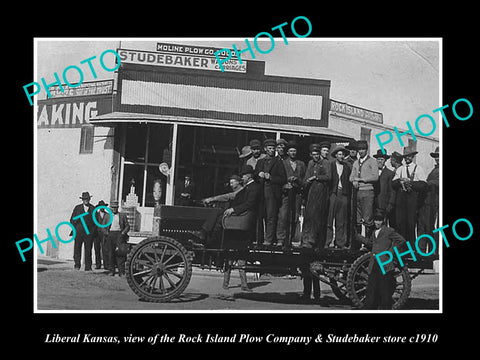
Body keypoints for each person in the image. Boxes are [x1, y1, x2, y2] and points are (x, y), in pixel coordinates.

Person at [221, 165, 261, 292]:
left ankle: (239, 284)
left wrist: (234, 209)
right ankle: (230, 283)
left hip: (242, 225)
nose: (242, 177)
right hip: (238, 224)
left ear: (248, 175)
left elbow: (249, 204)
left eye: (243, 175)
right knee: (235, 256)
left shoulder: (253, 188)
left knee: (239, 256)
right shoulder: (248, 187)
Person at [355, 211, 406, 310]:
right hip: (374, 262)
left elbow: (401, 240)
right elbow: (370, 243)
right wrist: (359, 237)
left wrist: (391, 251)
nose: (377, 223)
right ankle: (369, 308)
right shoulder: (374, 232)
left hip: (385, 263)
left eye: (379, 221)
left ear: (383, 221)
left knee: (384, 288)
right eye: (376, 221)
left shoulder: (389, 231)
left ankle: (385, 309)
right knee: (371, 286)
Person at [392, 146, 427, 247]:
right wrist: (400, 181)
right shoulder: (400, 169)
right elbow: (393, 183)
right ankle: (402, 248)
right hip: (401, 200)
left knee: (411, 224)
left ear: (413, 156)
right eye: (406, 156)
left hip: (412, 200)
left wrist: (411, 183)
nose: (407, 158)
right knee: (400, 223)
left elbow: (423, 185)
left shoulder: (418, 168)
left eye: (409, 156)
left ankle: (411, 248)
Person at [255, 138, 287, 248]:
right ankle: (259, 239)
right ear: (265, 149)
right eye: (269, 148)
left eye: (273, 148)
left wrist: (271, 177)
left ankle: (268, 239)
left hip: (272, 193)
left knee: (271, 217)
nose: (272, 150)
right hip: (261, 192)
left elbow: (283, 179)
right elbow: (254, 176)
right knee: (260, 216)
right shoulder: (260, 162)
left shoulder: (279, 162)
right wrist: (258, 175)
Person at [301, 142, 332, 252]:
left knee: (316, 217)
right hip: (311, 193)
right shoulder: (310, 163)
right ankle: (304, 239)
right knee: (308, 216)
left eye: (317, 154)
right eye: (314, 154)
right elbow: (306, 178)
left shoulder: (326, 163)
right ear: (310, 154)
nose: (316, 156)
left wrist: (316, 177)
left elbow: (328, 177)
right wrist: (305, 182)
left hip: (321, 193)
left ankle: (311, 240)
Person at [277, 141, 306, 249]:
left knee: (295, 217)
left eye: (294, 151)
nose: (293, 153)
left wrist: (297, 180)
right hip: (286, 194)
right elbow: (279, 178)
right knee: (283, 216)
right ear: (287, 152)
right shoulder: (283, 163)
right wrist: (285, 185)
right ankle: (281, 238)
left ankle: (290, 238)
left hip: (297, 194)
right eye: (291, 151)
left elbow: (305, 180)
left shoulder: (301, 164)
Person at [349, 140, 379, 239]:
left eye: (363, 149)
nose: (361, 151)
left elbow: (375, 177)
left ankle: (369, 243)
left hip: (367, 191)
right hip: (356, 192)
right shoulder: (356, 163)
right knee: (356, 218)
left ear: (366, 150)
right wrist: (354, 181)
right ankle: (357, 242)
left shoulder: (372, 161)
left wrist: (361, 179)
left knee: (367, 218)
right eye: (359, 149)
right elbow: (351, 177)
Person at [326, 145, 351, 248]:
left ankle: (340, 242)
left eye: (343, 155)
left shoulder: (347, 167)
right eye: (340, 154)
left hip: (343, 194)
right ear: (336, 155)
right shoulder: (331, 165)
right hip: (333, 194)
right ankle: (327, 242)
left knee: (341, 220)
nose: (341, 156)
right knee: (329, 219)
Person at [417, 146, 439, 254]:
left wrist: (428, 183)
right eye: (436, 156)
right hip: (429, 202)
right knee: (424, 225)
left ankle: (433, 251)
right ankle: (422, 250)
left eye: (439, 156)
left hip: (436, 203)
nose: (437, 158)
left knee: (433, 227)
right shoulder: (434, 170)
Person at [246, 139, 266, 244]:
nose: (256, 151)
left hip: (264, 189)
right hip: (254, 189)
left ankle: (261, 238)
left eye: (257, 149)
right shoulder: (249, 161)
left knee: (263, 215)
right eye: (254, 149)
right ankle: (252, 237)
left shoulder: (264, 158)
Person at [69, 192, 96, 271]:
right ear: (82, 200)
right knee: (77, 249)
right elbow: (72, 219)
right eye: (84, 199)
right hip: (79, 232)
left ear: (89, 199)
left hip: (89, 233)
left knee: (88, 250)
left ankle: (88, 266)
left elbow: (96, 222)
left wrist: (92, 232)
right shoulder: (77, 208)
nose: (86, 200)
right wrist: (76, 227)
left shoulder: (93, 208)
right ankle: (77, 265)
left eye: (87, 199)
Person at [105, 201, 130, 276]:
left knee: (120, 253)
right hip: (110, 234)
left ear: (118, 208)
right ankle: (111, 271)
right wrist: (106, 233)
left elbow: (127, 226)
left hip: (119, 234)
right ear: (110, 208)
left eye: (115, 207)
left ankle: (121, 272)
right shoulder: (107, 216)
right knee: (110, 253)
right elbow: (102, 227)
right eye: (112, 207)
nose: (114, 209)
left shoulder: (122, 215)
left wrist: (123, 233)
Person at [373, 149, 395, 222]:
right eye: (378, 159)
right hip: (372, 204)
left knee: (382, 226)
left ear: (385, 160)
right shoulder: (372, 172)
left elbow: (392, 191)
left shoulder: (390, 173)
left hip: (383, 206)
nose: (379, 161)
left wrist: (390, 205)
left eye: (381, 159)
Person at [94, 200, 110, 270]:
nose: (102, 208)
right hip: (97, 234)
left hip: (104, 234)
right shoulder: (96, 215)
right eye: (101, 207)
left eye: (103, 207)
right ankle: (98, 265)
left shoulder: (107, 215)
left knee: (105, 249)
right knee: (97, 249)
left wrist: (107, 232)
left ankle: (106, 265)